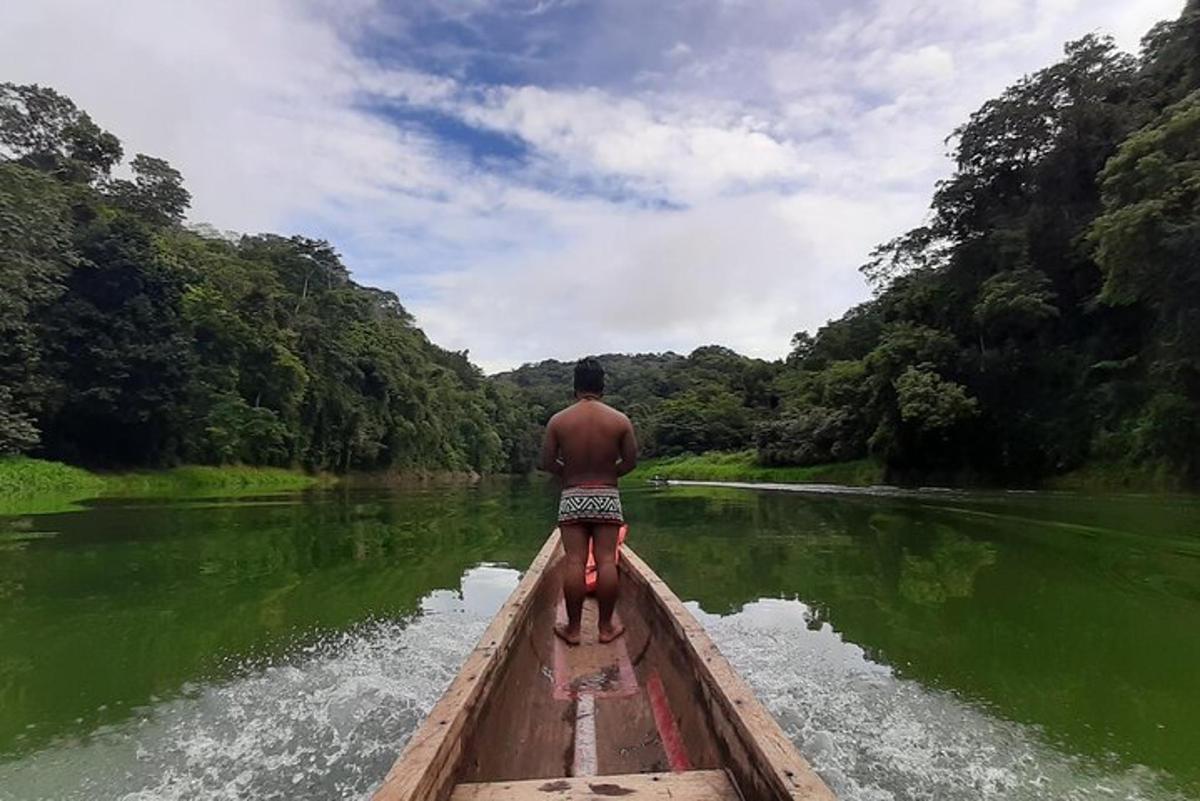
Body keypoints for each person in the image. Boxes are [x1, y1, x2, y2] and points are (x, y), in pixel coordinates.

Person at [539, 357, 638, 646]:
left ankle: (572, 630)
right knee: (607, 560)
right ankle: (606, 628)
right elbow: (631, 462)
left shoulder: (559, 420)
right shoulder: (620, 420)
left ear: (575, 387)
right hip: (607, 494)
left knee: (574, 561)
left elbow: (546, 462)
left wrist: (569, 474)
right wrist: (610, 474)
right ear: (602, 387)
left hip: (572, 494)